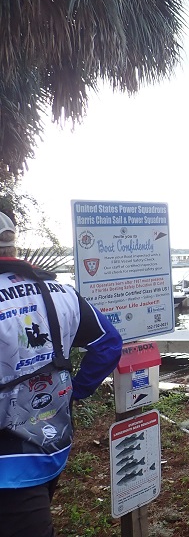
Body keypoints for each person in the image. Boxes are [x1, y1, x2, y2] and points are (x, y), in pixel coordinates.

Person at [0, 211, 122, 536]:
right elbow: (109, 344)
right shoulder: (61, 292)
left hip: (7, 463)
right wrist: (76, 391)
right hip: (53, 442)